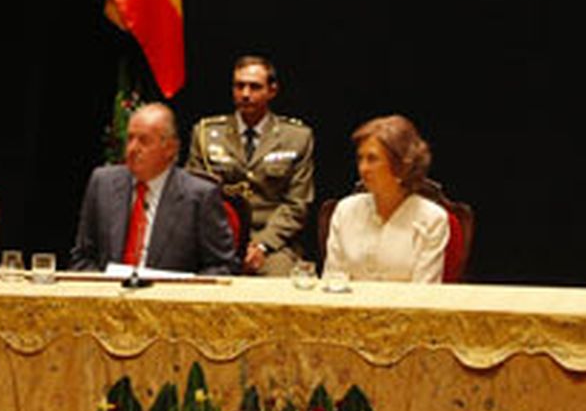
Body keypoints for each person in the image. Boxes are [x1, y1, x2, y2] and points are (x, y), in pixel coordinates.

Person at [69, 102, 235, 274]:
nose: (132, 149)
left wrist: (184, 292)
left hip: (170, 297)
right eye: (130, 138)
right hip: (110, 295)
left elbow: (222, 266)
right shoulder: (102, 183)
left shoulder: (199, 196)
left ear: (170, 148)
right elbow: (82, 257)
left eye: (144, 141)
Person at [186, 55, 314, 275]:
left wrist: (262, 245)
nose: (245, 94)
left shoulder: (297, 137)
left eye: (254, 87)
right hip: (217, 239)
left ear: (272, 91)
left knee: (279, 283)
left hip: (272, 244)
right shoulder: (205, 134)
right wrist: (221, 243)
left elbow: (297, 205)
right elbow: (192, 196)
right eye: (239, 86)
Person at [323, 115, 449, 283]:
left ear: (401, 165)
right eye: (360, 158)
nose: (363, 168)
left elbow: (424, 292)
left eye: (372, 159)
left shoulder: (432, 219)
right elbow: (333, 280)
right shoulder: (345, 210)